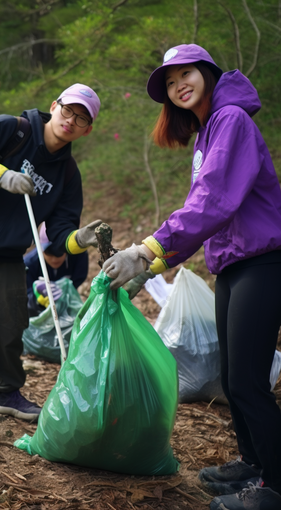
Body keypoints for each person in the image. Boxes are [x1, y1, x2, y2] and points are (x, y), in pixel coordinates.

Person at [102, 44, 281, 510]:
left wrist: (145, 250)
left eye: (186, 73)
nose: (179, 83)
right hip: (233, 264)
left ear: (206, 72)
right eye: (169, 80)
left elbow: (214, 202)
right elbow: (207, 218)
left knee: (246, 380)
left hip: (264, 263)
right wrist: (155, 266)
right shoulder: (208, 132)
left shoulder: (232, 122)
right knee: (230, 374)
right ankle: (254, 462)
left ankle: (276, 486)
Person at [0, 83, 102, 431]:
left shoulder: (68, 175)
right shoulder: (13, 129)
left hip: (9, 254)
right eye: (68, 110)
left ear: (87, 130)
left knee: (12, 323)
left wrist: (80, 239)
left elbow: (59, 234)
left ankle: (7, 394)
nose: (70, 121)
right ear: (54, 105)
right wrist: (2, 175)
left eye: (81, 119)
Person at [0, 222, 89, 327]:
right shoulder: (29, 264)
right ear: (40, 249)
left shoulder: (79, 257)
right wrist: (36, 297)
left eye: (59, 252)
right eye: (49, 252)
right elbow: (22, 298)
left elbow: (78, 278)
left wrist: (66, 292)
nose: (54, 258)